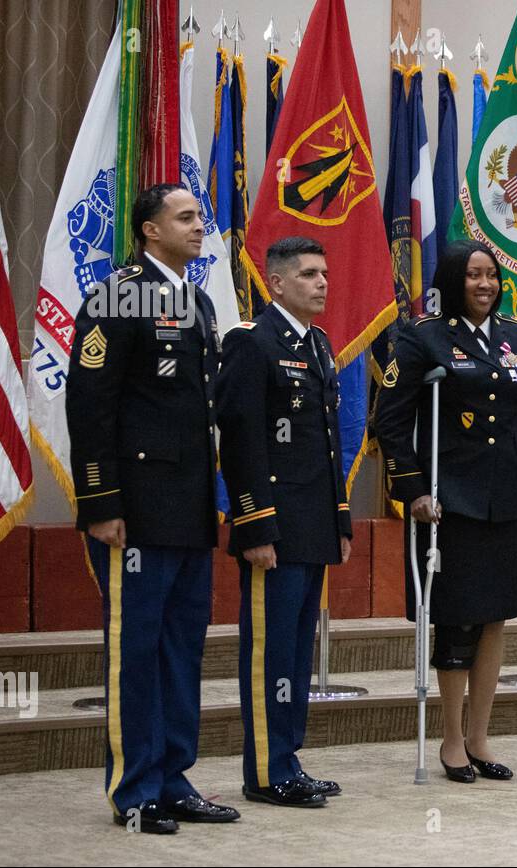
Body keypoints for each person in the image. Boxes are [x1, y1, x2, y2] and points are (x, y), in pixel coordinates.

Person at [66, 183, 238, 833]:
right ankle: (133, 787)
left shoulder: (194, 301)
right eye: (185, 217)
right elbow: (89, 404)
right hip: (132, 511)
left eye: (200, 216)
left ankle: (173, 776)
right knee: (135, 650)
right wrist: (100, 501)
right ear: (148, 231)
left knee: (179, 650)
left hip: (188, 508)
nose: (199, 227)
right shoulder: (117, 295)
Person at [374, 239, 517, 783]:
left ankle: (480, 737)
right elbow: (391, 420)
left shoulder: (516, 337)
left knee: (496, 616)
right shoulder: (420, 337)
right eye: (474, 275)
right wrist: (413, 492)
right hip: (448, 502)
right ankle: (451, 740)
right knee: (456, 622)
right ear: (453, 281)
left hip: (508, 498)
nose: (485, 285)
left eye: (491, 276)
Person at [216, 236, 352, 807]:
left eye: (324, 272)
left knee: (298, 650)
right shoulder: (253, 343)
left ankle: (288, 758)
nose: (322, 282)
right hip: (273, 526)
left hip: (313, 524)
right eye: (308, 274)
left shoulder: (317, 344)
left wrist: (340, 519)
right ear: (276, 282)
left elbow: (324, 446)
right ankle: (267, 770)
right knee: (270, 652)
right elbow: (242, 441)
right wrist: (255, 526)